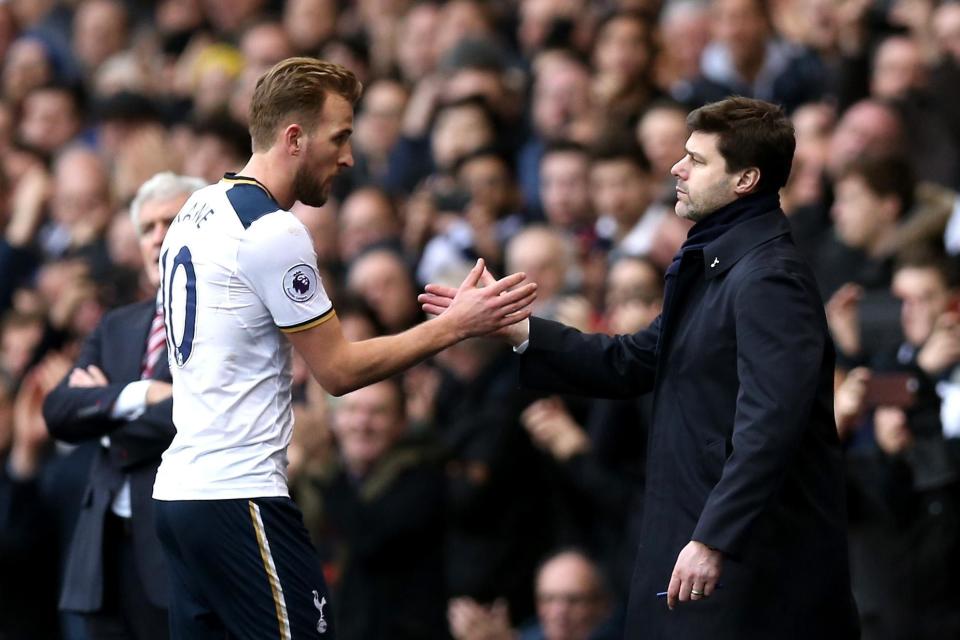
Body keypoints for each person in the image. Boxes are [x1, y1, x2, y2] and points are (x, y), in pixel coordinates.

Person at [422, 96, 859, 638]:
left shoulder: (769, 278)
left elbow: (771, 426)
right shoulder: (717, 263)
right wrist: (519, 328)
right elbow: (632, 360)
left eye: (697, 161)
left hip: (751, 572)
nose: (677, 168)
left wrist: (714, 538)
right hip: (702, 556)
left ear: (746, 179)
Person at [151, 57, 536, 640]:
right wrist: (457, 324)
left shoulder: (193, 211)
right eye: (341, 136)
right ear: (294, 138)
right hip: (240, 494)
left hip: (179, 493)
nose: (349, 156)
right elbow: (338, 369)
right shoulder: (272, 231)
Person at [42, 172, 205, 640]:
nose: (158, 237)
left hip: (177, 549)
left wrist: (104, 418)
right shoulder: (116, 325)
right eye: (147, 227)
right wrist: (137, 395)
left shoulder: (221, 320)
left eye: (171, 221)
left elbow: (189, 417)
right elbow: (58, 411)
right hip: (102, 552)